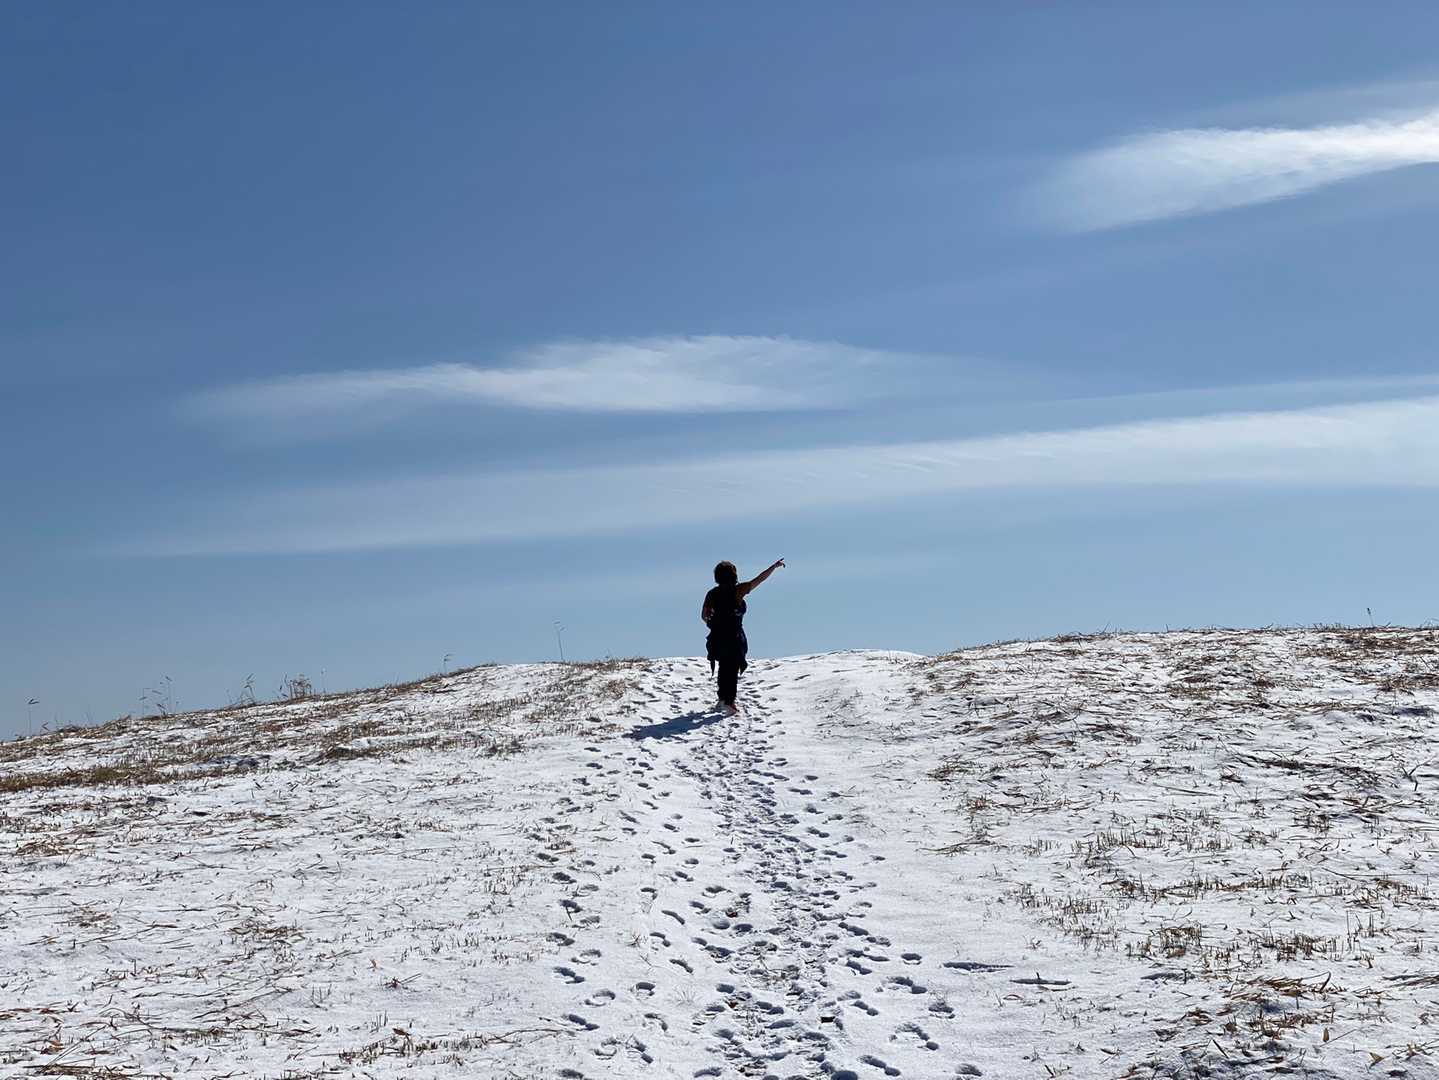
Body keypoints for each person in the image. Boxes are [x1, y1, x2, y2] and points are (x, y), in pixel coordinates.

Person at [702, 558, 784, 713]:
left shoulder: (712, 594)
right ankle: (729, 701)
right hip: (734, 636)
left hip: (717, 636)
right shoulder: (738, 590)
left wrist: (713, 622)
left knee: (724, 666)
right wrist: (773, 567)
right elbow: (759, 579)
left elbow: (704, 616)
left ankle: (722, 699)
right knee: (732, 667)